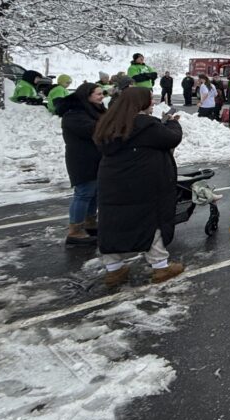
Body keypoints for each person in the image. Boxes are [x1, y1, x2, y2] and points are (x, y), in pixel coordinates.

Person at [94, 87, 184, 286]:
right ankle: (161, 267)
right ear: (140, 103)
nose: (152, 103)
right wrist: (172, 123)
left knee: (113, 223)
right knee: (150, 222)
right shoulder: (146, 125)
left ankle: (114, 270)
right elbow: (171, 138)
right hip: (143, 183)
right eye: (150, 100)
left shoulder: (110, 123)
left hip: (113, 182)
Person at [57, 82, 106, 246]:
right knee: (84, 193)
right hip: (82, 160)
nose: (102, 97)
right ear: (87, 96)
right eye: (98, 94)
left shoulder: (95, 109)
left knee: (95, 192)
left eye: (102, 93)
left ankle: (90, 222)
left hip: (96, 158)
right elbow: (93, 129)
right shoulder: (74, 114)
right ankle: (75, 231)